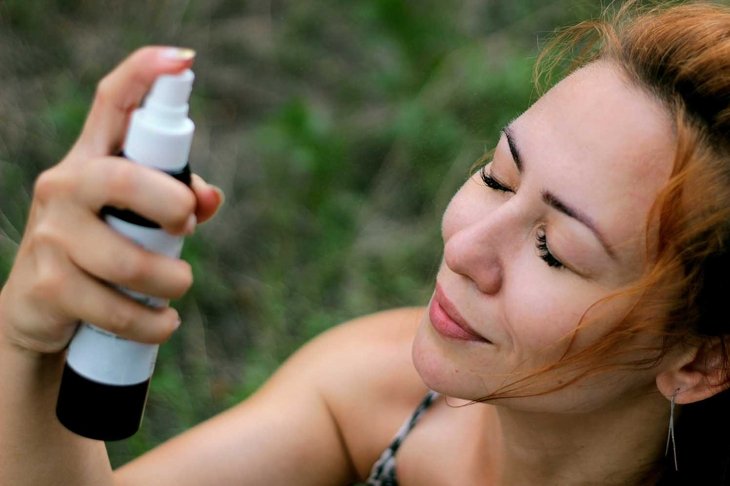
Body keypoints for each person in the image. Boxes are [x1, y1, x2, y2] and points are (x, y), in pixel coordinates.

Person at [2, 1, 730, 484]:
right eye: (499, 177)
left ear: (699, 359)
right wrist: (25, 341)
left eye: (553, 250)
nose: (466, 245)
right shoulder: (381, 394)